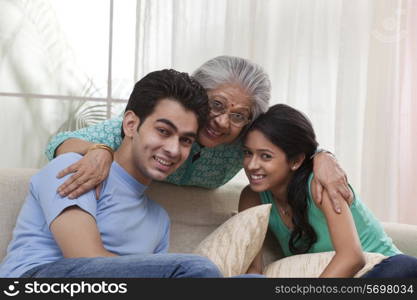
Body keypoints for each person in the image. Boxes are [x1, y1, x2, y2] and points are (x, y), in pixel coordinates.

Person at [45, 56, 351, 214]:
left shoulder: (244, 141)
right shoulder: (163, 126)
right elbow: (58, 144)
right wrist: (98, 150)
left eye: (237, 115)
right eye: (215, 104)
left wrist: (323, 156)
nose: (220, 121)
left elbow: (291, 145)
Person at [0, 69, 223, 278]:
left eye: (185, 140)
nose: (174, 149)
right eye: (163, 131)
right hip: (31, 283)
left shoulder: (159, 219)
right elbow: (86, 259)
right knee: (196, 269)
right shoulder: (75, 168)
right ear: (131, 124)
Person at [239, 103, 417, 277]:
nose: (252, 165)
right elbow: (252, 269)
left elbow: (352, 258)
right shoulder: (251, 198)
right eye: (248, 153)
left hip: (385, 270)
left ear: (295, 161)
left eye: (265, 156)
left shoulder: (321, 185)